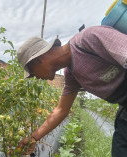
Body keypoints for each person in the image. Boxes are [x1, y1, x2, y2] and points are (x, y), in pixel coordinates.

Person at [16, 25, 127, 157]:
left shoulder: (89, 38)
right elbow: (61, 110)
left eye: (33, 73)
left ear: (38, 60)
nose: (37, 78)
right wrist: (34, 137)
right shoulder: (71, 74)